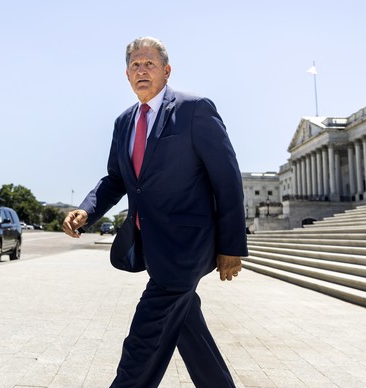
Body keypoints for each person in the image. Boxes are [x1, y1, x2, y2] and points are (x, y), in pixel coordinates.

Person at [63, 36, 248, 388]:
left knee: (144, 340)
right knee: (189, 330)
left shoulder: (195, 109)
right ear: (126, 75)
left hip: (188, 247)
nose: (141, 70)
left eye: (149, 63)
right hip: (152, 246)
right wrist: (87, 210)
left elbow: (227, 180)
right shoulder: (124, 122)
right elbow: (117, 179)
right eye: (134, 65)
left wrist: (231, 246)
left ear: (166, 70)